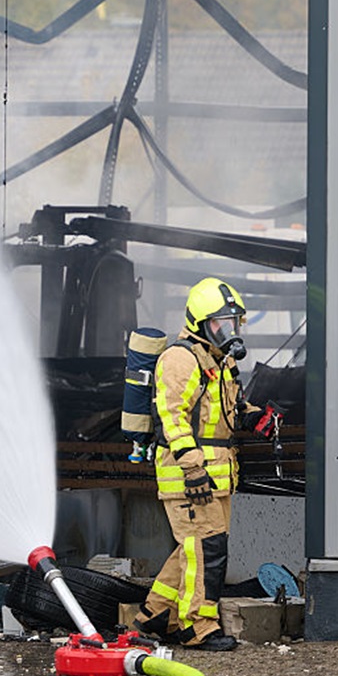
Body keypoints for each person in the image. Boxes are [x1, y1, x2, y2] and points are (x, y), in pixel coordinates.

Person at [134, 277, 267, 652]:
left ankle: (156, 615)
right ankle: (197, 627)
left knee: (192, 549)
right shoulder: (181, 359)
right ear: (198, 323)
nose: (228, 330)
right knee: (206, 550)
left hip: (216, 475)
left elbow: (225, 410)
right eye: (220, 323)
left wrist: (253, 416)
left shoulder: (220, 361)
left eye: (233, 322)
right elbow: (172, 417)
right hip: (190, 475)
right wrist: (192, 469)